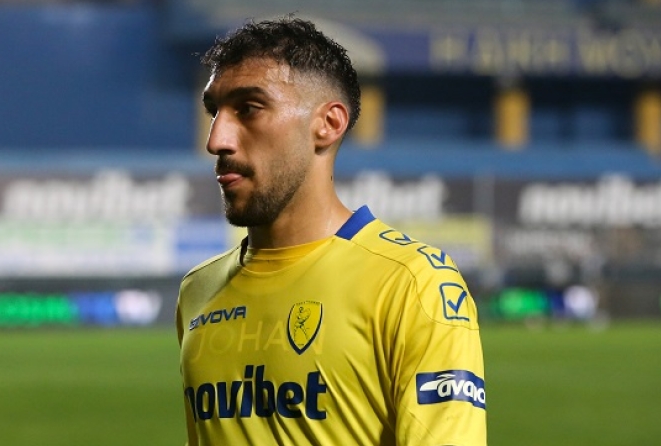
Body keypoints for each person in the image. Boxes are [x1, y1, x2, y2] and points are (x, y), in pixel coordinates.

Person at [176, 16, 486, 446]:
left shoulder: (412, 283)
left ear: (328, 124)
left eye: (248, 109)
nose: (216, 140)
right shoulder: (197, 290)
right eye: (214, 112)